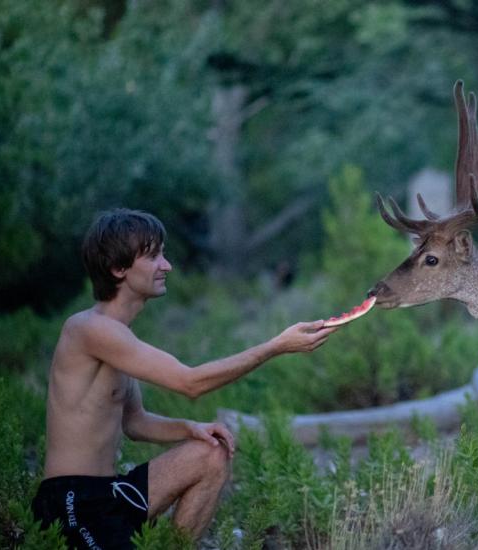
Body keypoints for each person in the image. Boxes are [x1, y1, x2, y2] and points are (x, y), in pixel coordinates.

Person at [31, 208, 337, 548]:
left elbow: (134, 422)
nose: (167, 266)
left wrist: (190, 428)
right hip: (71, 503)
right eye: (153, 256)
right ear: (118, 269)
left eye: (163, 254)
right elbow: (190, 382)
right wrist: (275, 346)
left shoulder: (118, 335)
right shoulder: (90, 329)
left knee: (211, 453)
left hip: (110, 493)